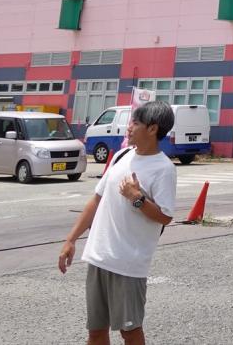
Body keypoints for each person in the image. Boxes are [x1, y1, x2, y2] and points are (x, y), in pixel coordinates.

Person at [59, 101, 178, 345]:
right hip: (99, 256)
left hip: (128, 264)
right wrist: (71, 240)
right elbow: (96, 199)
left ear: (153, 129)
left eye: (136, 122)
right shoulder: (122, 155)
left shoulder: (164, 168)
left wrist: (137, 198)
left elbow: (165, 216)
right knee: (96, 331)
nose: (129, 127)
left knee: (130, 332)